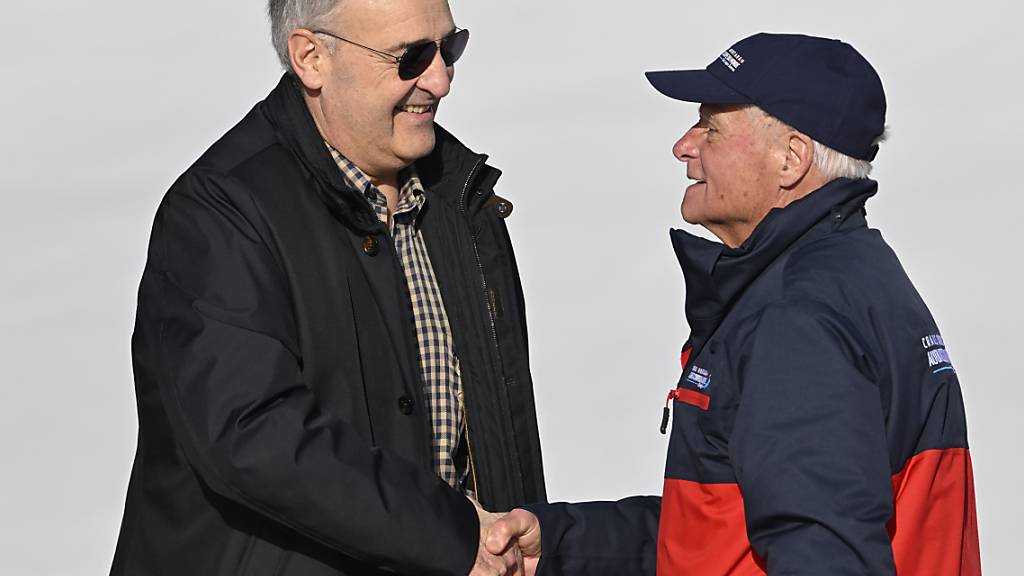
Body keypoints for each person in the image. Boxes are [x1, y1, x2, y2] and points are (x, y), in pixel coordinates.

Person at [485, 33, 980, 575]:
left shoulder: (798, 318)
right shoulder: (849, 278)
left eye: (711, 128)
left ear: (791, 158)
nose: (684, 145)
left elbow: (823, 553)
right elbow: (737, 528)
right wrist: (562, 546)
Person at [110, 0, 545, 574]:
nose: (439, 80)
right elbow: (254, 438)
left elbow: (496, 439)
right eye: (410, 56)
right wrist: (452, 535)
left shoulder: (461, 201)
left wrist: (514, 547)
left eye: (450, 48)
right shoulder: (221, 212)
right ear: (311, 58)